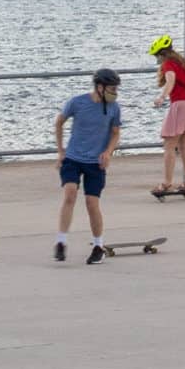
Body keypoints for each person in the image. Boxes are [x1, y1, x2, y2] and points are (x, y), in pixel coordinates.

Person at [54, 68, 122, 263]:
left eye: (116, 89)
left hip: (96, 163)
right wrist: (60, 151)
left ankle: (98, 245)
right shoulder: (77, 102)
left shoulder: (114, 108)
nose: (114, 92)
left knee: (92, 203)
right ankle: (61, 242)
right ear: (99, 87)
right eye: (111, 88)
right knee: (70, 194)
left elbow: (116, 132)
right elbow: (59, 122)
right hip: (73, 158)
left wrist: (108, 152)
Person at [148, 34, 185, 199]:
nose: (157, 60)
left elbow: (170, 81)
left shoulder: (169, 64)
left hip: (181, 105)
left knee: (169, 145)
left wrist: (162, 97)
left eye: (157, 56)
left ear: (161, 54)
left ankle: (166, 183)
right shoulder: (183, 63)